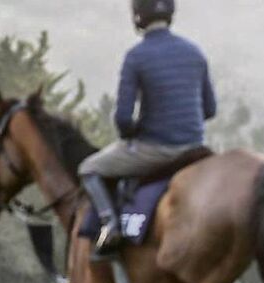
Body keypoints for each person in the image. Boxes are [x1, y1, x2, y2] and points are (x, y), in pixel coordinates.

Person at [78, 0, 217, 257]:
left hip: (157, 149)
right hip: (196, 148)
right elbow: (210, 110)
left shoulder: (137, 56)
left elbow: (122, 118)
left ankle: (111, 225)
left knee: (88, 169)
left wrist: (132, 133)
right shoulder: (194, 52)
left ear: (138, 16)